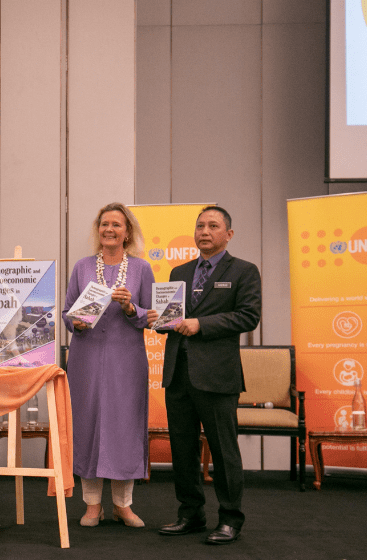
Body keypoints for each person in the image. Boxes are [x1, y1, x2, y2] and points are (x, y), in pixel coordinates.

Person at [158, 206, 260, 545]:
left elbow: (248, 317)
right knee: (182, 449)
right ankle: (191, 514)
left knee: (223, 450)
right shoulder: (180, 271)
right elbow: (171, 319)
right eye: (200, 225)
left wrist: (203, 324)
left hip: (218, 376)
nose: (205, 231)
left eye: (213, 226)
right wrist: (156, 319)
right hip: (178, 373)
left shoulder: (245, 271)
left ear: (228, 234)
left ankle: (230, 519)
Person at [63, 202, 158, 528]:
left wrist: (131, 308)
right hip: (86, 358)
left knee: (123, 427)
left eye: (116, 225)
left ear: (127, 231)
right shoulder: (82, 266)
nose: (109, 230)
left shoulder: (142, 269)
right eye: (104, 224)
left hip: (126, 359)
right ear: (98, 229)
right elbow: (66, 312)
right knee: (87, 424)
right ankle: (92, 506)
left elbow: (153, 316)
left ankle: (123, 505)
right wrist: (76, 322)